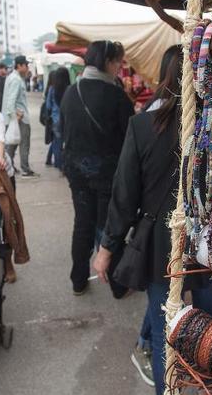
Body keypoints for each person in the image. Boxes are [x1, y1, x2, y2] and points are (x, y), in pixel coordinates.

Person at [92, 46, 212, 392]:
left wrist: (107, 246)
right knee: (211, 327)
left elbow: (124, 195)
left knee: (165, 327)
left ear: (165, 77)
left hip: (161, 244)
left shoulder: (142, 126)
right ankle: (208, 386)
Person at [60, 40, 135, 296]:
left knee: (82, 224)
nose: (119, 67)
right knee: (107, 227)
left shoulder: (71, 91)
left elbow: (63, 131)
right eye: (117, 62)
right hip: (107, 174)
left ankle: (78, 281)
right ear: (107, 62)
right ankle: (117, 285)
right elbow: (129, 139)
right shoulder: (115, 96)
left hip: (76, 171)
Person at [1, 55, 38, 178]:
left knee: (12, 143)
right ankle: (25, 169)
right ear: (20, 65)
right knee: (23, 144)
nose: (27, 68)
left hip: (14, 118)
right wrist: (16, 115)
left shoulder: (11, 77)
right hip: (20, 118)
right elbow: (11, 101)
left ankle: (8, 165)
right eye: (26, 65)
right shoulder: (16, 79)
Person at [45, 68, 70, 171]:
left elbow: (48, 106)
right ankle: (63, 163)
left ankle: (59, 164)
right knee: (66, 142)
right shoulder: (69, 88)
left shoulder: (52, 89)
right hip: (67, 119)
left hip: (55, 119)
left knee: (57, 142)